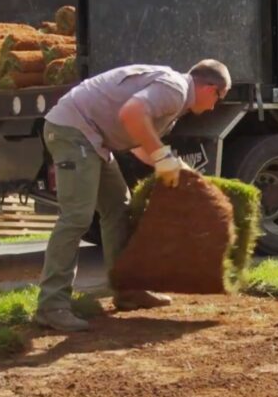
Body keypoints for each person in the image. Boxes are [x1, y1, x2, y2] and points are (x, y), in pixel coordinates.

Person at [33, 60, 232, 332]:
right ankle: (51, 306)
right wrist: (162, 156)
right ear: (211, 88)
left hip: (93, 140)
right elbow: (132, 113)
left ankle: (128, 291)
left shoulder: (173, 97)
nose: (213, 107)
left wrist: (181, 170)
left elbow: (139, 145)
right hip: (73, 131)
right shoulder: (174, 88)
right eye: (219, 98)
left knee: (118, 207)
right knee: (77, 217)